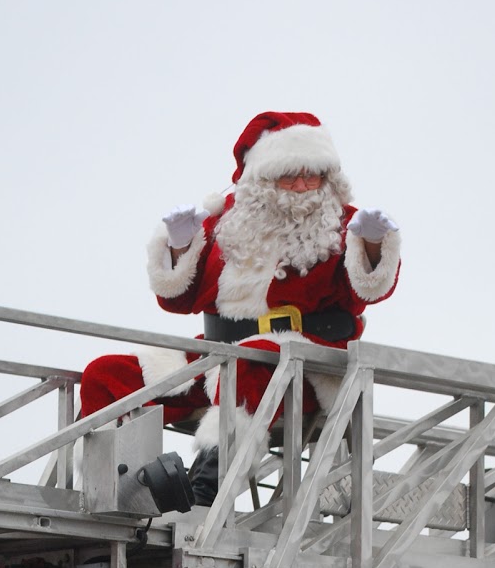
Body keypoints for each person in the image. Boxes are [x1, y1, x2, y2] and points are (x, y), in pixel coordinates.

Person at [78, 111, 402, 505]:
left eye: (312, 176)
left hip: (301, 367)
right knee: (107, 374)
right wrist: (181, 247)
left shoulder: (341, 223)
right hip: (218, 356)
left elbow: (364, 293)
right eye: (289, 176)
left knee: (250, 366)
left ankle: (204, 491)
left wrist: (371, 247)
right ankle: (125, 489)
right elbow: (178, 300)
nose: (302, 187)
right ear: (262, 179)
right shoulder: (231, 221)